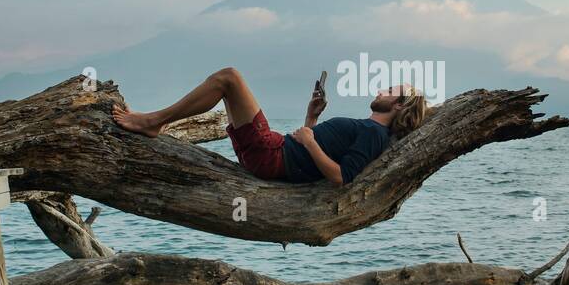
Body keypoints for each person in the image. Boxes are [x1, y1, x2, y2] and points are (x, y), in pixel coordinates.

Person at [111, 67, 427, 185]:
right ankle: (156, 121)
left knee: (229, 78)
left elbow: (342, 177)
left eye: (389, 92)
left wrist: (310, 140)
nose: (381, 91)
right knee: (227, 85)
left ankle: (153, 121)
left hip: (271, 153)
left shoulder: (374, 133)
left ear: (398, 106)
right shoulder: (367, 128)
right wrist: (311, 118)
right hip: (274, 151)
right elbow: (309, 151)